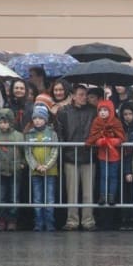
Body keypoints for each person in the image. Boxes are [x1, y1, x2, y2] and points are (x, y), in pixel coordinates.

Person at [56, 84, 97, 231]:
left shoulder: (93, 111)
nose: (84, 97)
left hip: (88, 155)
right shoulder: (64, 112)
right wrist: (64, 149)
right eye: (81, 94)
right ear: (73, 96)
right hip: (71, 155)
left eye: (85, 94)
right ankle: (72, 220)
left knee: (88, 192)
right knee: (71, 192)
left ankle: (88, 220)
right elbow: (60, 132)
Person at [24, 105, 58, 231]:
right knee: (37, 198)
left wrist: (47, 165)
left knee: (50, 199)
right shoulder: (29, 134)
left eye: (40, 118)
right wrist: (36, 166)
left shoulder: (52, 133)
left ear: (46, 119)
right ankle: (38, 223)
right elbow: (28, 153)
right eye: (35, 118)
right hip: (35, 171)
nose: (37, 120)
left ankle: (50, 224)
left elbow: (55, 151)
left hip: (50, 171)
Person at [86, 100, 126, 206]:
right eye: (100, 110)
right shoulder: (96, 122)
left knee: (113, 175)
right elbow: (93, 136)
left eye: (105, 110)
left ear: (111, 111)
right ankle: (102, 196)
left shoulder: (116, 122)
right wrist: (99, 141)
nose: (102, 112)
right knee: (104, 175)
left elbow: (121, 137)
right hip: (103, 154)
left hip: (114, 155)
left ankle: (112, 196)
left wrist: (115, 141)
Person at [0, 108, 25, 231]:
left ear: (11, 122)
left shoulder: (18, 136)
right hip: (0, 170)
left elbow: (24, 152)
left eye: (6, 122)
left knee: (14, 196)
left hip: (16, 170)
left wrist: (23, 164)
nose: (3, 125)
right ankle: (1, 220)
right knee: (2, 197)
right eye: (1, 122)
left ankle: (12, 220)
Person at [118, 102, 133, 230]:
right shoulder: (119, 126)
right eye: (125, 114)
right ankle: (124, 218)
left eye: (130, 114)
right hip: (120, 160)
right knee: (123, 192)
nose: (127, 117)